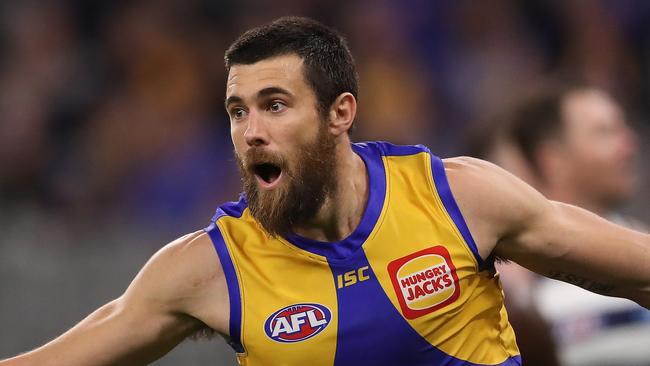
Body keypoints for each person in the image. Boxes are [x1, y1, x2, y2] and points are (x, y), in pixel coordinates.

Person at [2, 17, 650, 366]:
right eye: (236, 111)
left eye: (275, 105)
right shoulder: (206, 269)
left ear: (340, 113)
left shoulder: (457, 197)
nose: (251, 132)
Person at [495, 84, 650, 366]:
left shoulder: (643, 242)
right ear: (552, 160)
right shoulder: (512, 284)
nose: (629, 144)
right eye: (605, 133)